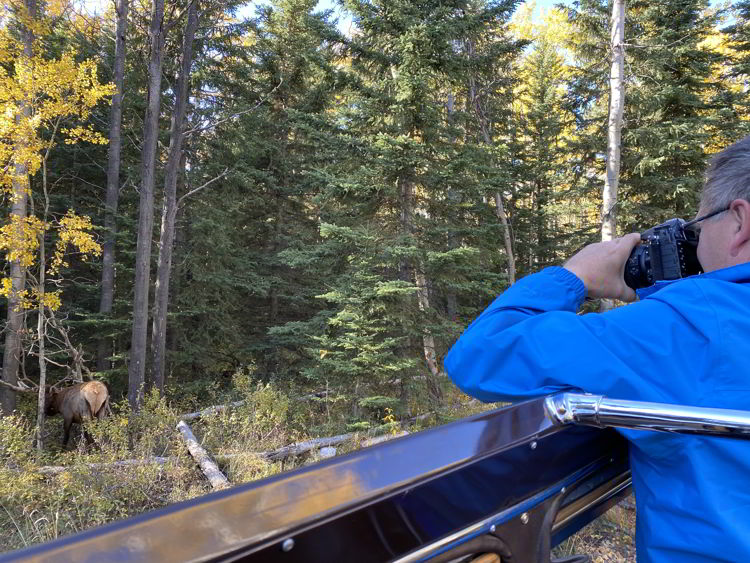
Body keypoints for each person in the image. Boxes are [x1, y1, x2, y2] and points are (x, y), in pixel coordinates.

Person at [444, 135, 750, 563]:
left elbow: (479, 355)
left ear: (740, 222)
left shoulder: (688, 325)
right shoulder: (685, 327)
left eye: (698, 228)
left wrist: (574, 276)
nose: (695, 246)